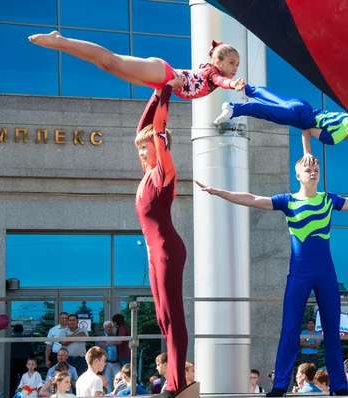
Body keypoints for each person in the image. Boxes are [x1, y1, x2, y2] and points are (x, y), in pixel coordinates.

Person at [195, 157, 348, 397]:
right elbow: (254, 199)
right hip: (299, 273)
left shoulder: (328, 199)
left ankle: (340, 387)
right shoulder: (288, 201)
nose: (313, 172)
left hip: (326, 273)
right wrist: (220, 192)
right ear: (298, 175)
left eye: (317, 169)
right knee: (289, 328)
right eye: (308, 169)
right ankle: (280, 385)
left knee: (331, 329)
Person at [135, 73, 189, 398]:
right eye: (140, 149)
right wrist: (154, 94)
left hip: (168, 249)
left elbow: (155, 128)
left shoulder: (164, 172)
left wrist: (167, 91)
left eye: (146, 148)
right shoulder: (146, 174)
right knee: (160, 317)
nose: (142, 153)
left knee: (173, 313)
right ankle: (172, 379)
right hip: (154, 253)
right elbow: (142, 127)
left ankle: (175, 383)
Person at [214, 57, 348, 156]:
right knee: (266, 112)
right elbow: (308, 130)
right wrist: (307, 152)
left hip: (303, 105)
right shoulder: (334, 137)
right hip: (299, 117)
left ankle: (247, 89)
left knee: (270, 98)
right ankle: (233, 108)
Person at [28, 33, 245, 99]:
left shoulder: (210, 71)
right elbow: (220, 80)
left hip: (159, 82)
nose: (235, 67)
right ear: (218, 62)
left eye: (237, 64)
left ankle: (61, 46)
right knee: (111, 60)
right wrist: (233, 84)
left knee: (107, 66)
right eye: (231, 63)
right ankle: (60, 41)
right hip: (163, 72)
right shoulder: (213, 74)